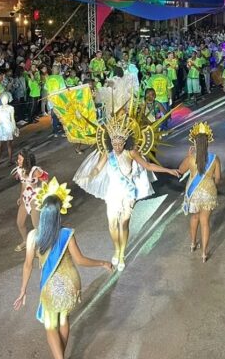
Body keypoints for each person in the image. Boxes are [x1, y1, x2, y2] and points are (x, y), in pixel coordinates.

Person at [13, 179, 113, 359]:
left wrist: (22, 291)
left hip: (51, 287)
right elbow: (81, 260)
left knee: (51, 326)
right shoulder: (67, 233)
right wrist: (102, 262)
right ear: (58, 215)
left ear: (42, 213)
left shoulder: (33, 236)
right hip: (70, 283)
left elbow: (28, 266)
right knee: (64, 318)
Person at [74, 112, 180, 271]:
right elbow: (97, 168)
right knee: (111, 225)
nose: (117, 147)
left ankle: (122, 253)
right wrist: (89, 175)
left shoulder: (131, 153)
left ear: (125, 141)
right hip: (113, 193)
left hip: (128, 195)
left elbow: (148, 166)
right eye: (114, 143)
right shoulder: (107, 153)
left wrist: (168, 170)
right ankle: (116, 248)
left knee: (123, 224)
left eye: (120, 143)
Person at [177, 122, 221, 262]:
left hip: (194, 195)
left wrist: (187, 155)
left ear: (194, 143)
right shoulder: (215, 159)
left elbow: (180, 170)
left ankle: (192, 243)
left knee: (195, 218)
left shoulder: (190, 158)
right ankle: (204, 253)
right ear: (208, 143)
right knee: (205, 222)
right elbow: (218, 179)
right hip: (209, 193)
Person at [12, 149, 49, 252]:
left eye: (20, 159)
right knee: (20, 223)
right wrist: (20, 197)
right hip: (25, 200)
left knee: (36, 225)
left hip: (34, 200)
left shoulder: (35, 170)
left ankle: (41, 247)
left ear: (26, 160)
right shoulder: (20, 170)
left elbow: (45, 180)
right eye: (18, 159)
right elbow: (23, 185)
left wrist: (41, 193)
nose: (18, 161)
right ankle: (25, 241)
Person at [0, 94, 18, 166]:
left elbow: (12, 119)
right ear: (1, 100)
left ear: (8, 100)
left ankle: (10, 160)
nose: (4, 101)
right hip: (1, 128)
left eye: (6, 99)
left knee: (9, 144)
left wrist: (14, 128)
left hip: (8, 127)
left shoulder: (11, 108)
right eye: (3, 99)